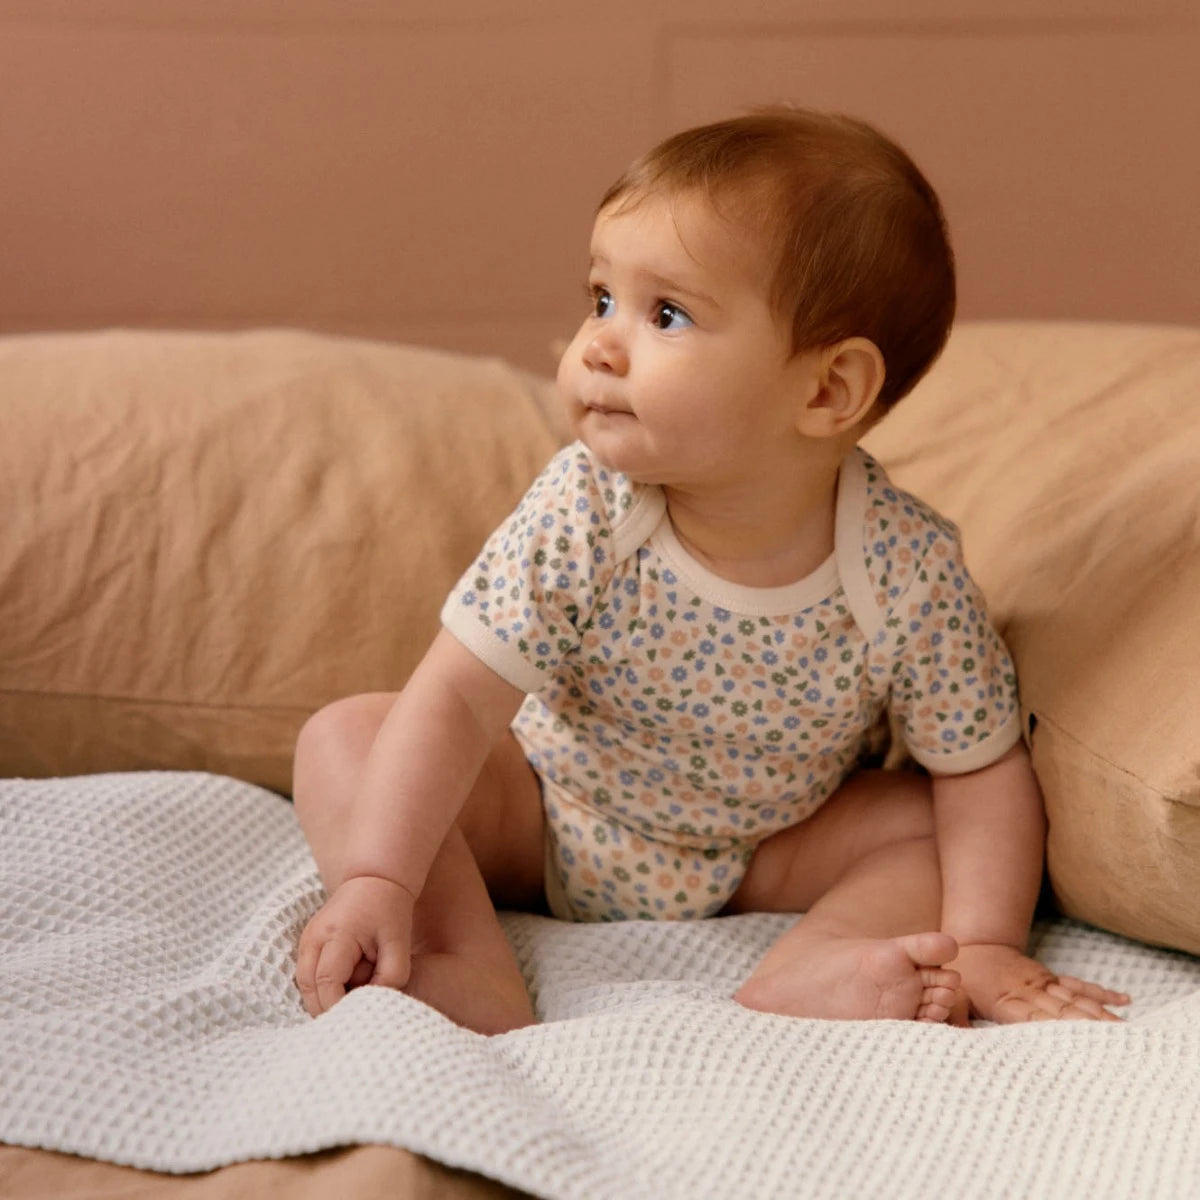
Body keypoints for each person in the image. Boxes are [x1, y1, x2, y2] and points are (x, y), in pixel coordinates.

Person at [293, 107, 1129, 1034]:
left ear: (826, 390)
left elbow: (980, 771)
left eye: (668, 314)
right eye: (601, 297)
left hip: (764, 850)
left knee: (936, 823)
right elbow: (454, 702)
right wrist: (379, 875)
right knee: (350, 739)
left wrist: (983, 942)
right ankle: (456, 961)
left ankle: (813, 969)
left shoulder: (904, 567)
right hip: (545, 809)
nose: (599, 342)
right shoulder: (588, 509)